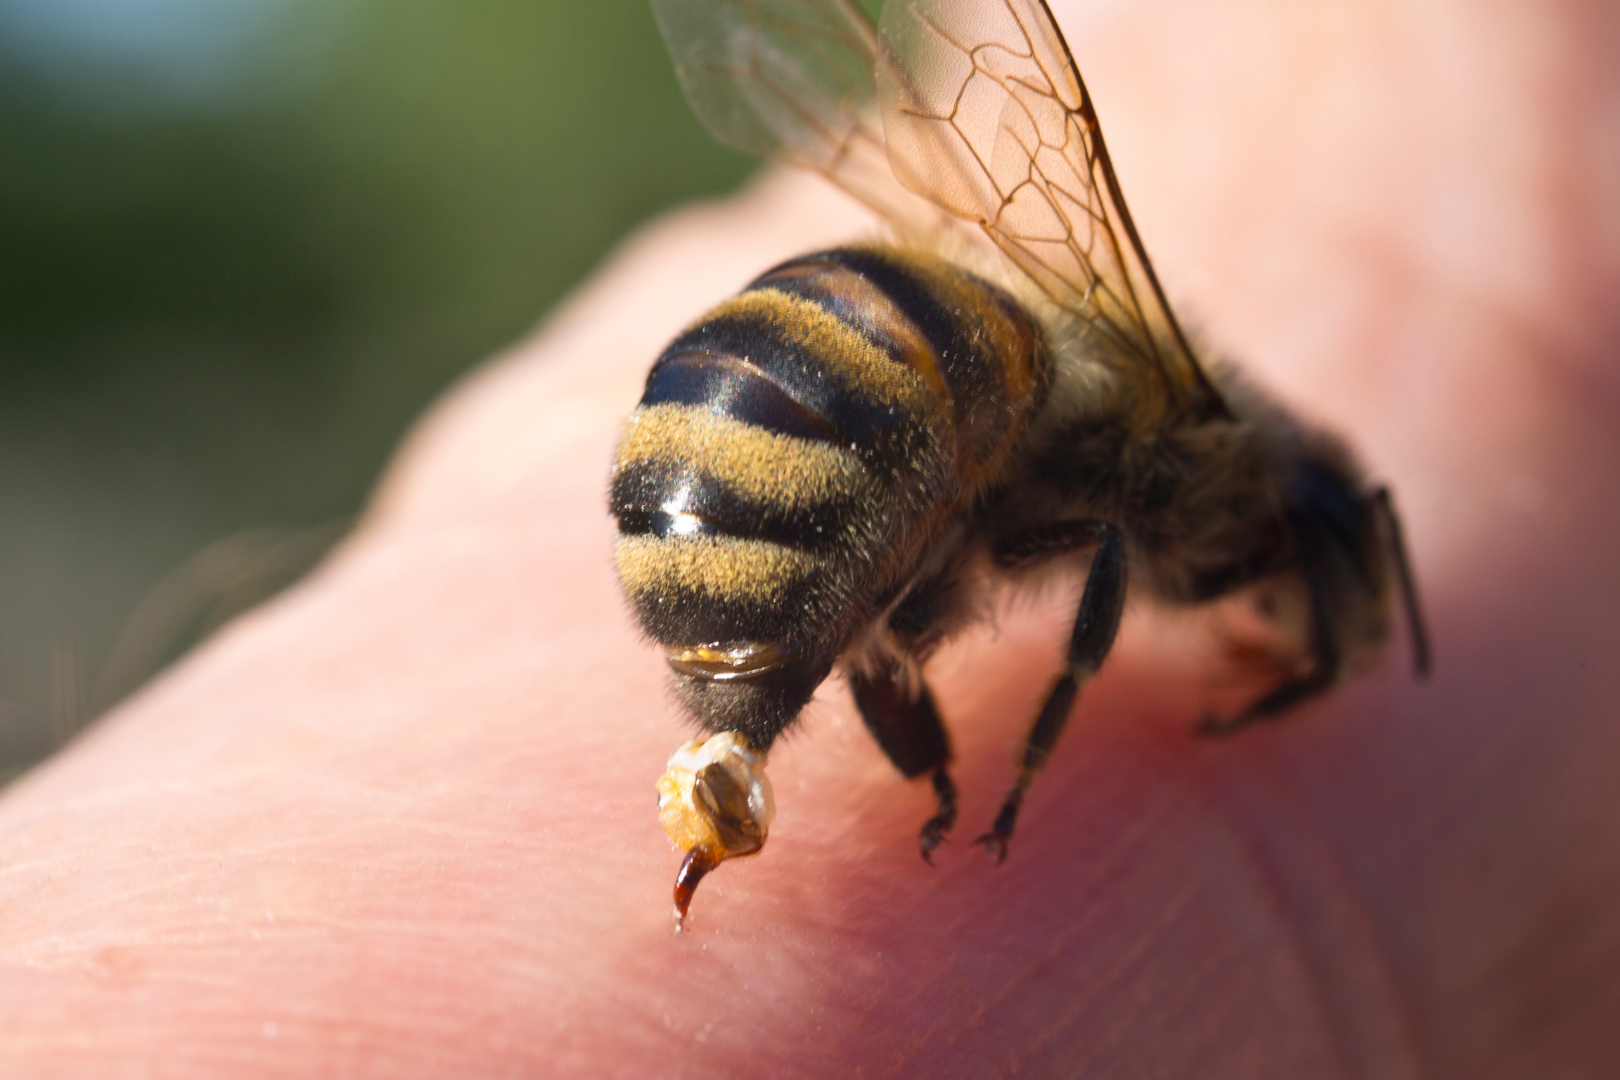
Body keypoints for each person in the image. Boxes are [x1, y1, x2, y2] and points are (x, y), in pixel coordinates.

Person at [2, 0, 1616, 1074]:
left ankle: (750, 736)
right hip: (843, 403)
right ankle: (796, 736)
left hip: (749, 406)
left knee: (924, 508)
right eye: (1306, 579)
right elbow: (1072, 549)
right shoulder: (1165, 457)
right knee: (973, 506)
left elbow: (937, 544)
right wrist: (1030, 771)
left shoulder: (1046, 416)